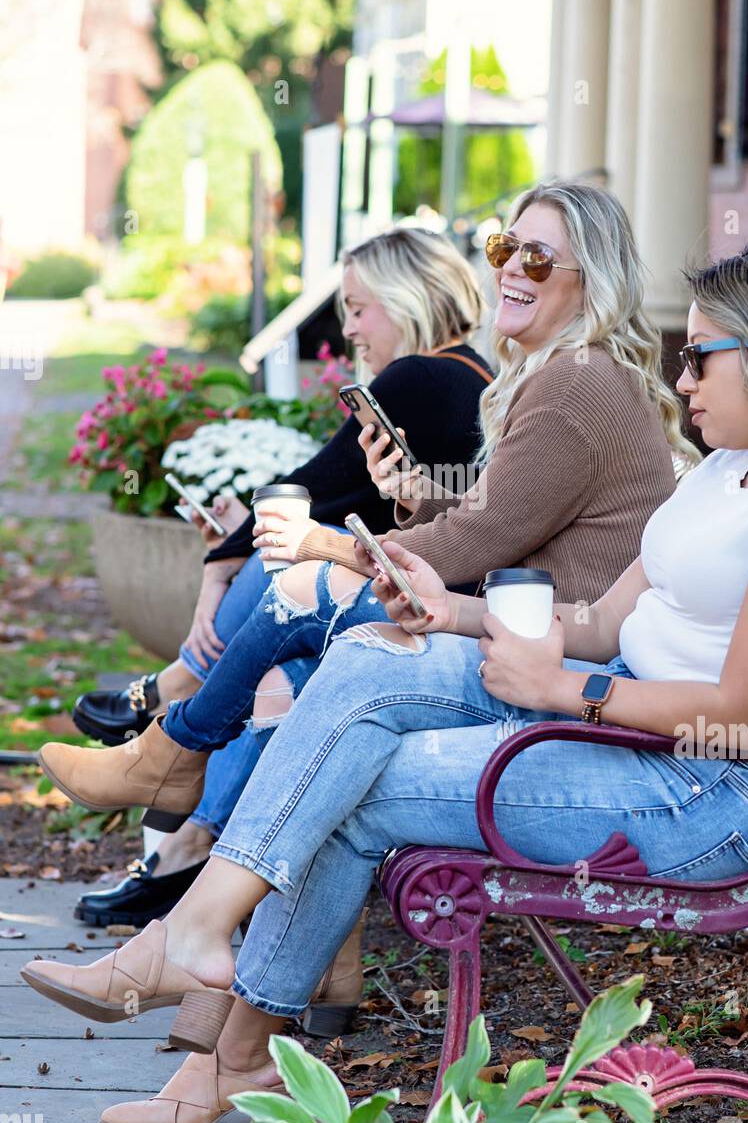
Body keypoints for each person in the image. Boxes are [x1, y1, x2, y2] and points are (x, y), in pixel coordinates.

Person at [24, 238, 748, 1123]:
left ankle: (218, 1044)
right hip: (620, 710)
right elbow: (599, 624)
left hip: (708, 788)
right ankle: (197, 952)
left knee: (362, 784)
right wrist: (448, 610)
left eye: (699, 357)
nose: (682, 376)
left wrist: (568, 692)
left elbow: (744, 715)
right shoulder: (724, 472)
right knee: (372, 654)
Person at [44, 180, 690, 1027]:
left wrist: (318, 544)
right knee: (307, 674)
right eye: (504, 247)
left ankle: (172, 765)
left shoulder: (576, 384)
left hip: (556, 660)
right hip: (523, 632)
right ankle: (244, 1004)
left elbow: (478, 545)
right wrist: (414, 502)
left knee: (304, 595)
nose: (512, 270)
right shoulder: (558, 374)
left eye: (539, 257)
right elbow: (487, 529)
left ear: (593, 280)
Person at [70, 226, 492, 933]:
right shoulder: (465, 374)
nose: (350, 327)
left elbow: (314, 486)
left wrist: (215, 570)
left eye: (360, 307)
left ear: (408, 296)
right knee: (278, 647)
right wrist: (238, 538)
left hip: (441, 614)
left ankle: (172, 718)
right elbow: (345, 493)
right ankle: (189, 833)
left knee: (285, 584)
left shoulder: (423, 376)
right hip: (438, 599)